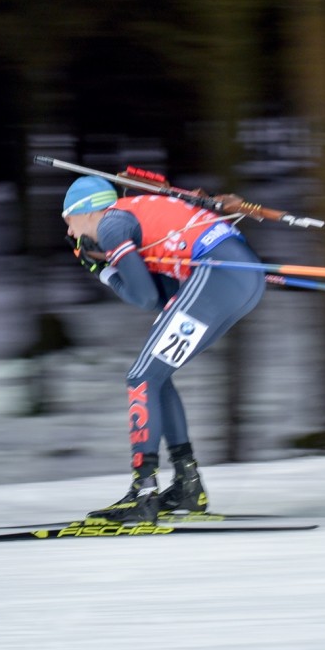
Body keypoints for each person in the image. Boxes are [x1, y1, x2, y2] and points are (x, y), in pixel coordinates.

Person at [62, 174, 266, 524]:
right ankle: (188, 484)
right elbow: (160, 297)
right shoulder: (129, 218)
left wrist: (105, 273)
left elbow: (141, 296)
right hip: (233, 279)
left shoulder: (111, 224)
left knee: (140, 376)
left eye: (69, 221)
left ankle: (143, 492)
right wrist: (107, 269)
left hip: (218, 274)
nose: (70, 234)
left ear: (87, 212)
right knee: (156, 376)